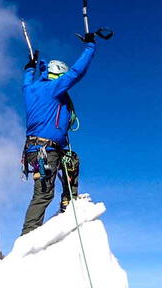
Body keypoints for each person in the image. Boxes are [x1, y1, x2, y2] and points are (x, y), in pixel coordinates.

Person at [20, 33, 96, 235]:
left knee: (71, 161)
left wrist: (30, 67)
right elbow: (77, 73)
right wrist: (90, 47)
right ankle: (28, 238)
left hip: (40, 149)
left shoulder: (30, 90)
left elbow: (26, 80)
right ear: (59, 75)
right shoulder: (53, 89)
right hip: (46, 150)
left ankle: (67, 202)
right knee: (43, 194)